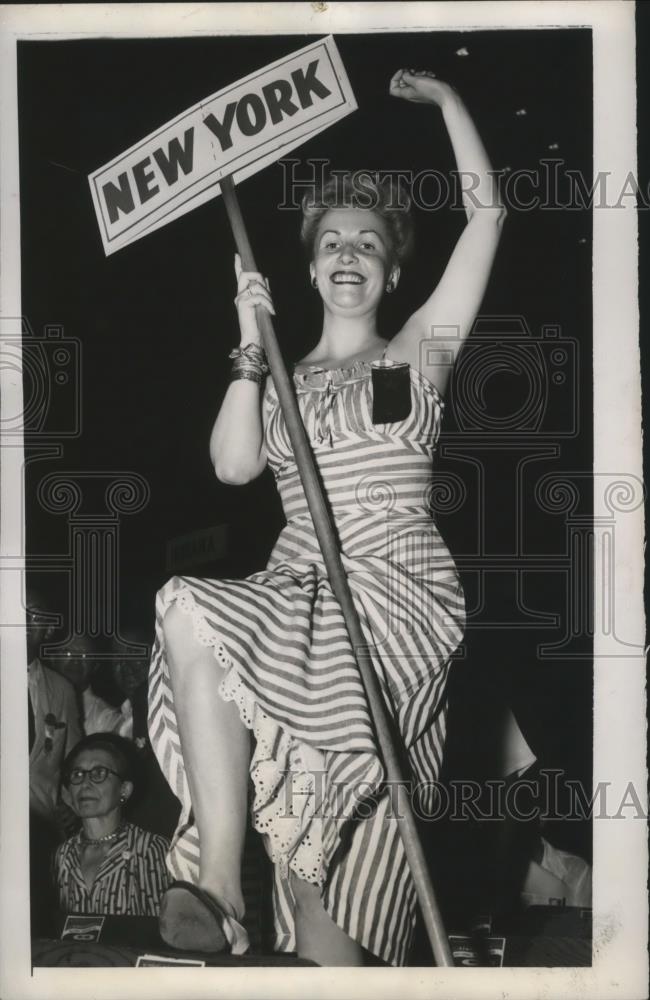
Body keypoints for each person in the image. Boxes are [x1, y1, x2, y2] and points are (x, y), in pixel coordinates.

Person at [148, 69, 506, 965]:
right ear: (308, 269)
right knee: (190, 610)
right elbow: (233, 465)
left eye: (369, 243)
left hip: (391, 598)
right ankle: (223, 885)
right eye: (331, 242)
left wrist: (450, 107)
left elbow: (488, 217)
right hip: (300, 594)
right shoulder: (277, 373)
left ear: (390, 269)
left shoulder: (417, 353)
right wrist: (246, 343)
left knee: (335, 927)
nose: (348, 252)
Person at [53, 733, 170, 916]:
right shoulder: (61, 856)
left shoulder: (151, 849)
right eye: (78, 774)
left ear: (124, 790)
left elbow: (162, 934)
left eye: (99, 773)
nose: (85, 783)